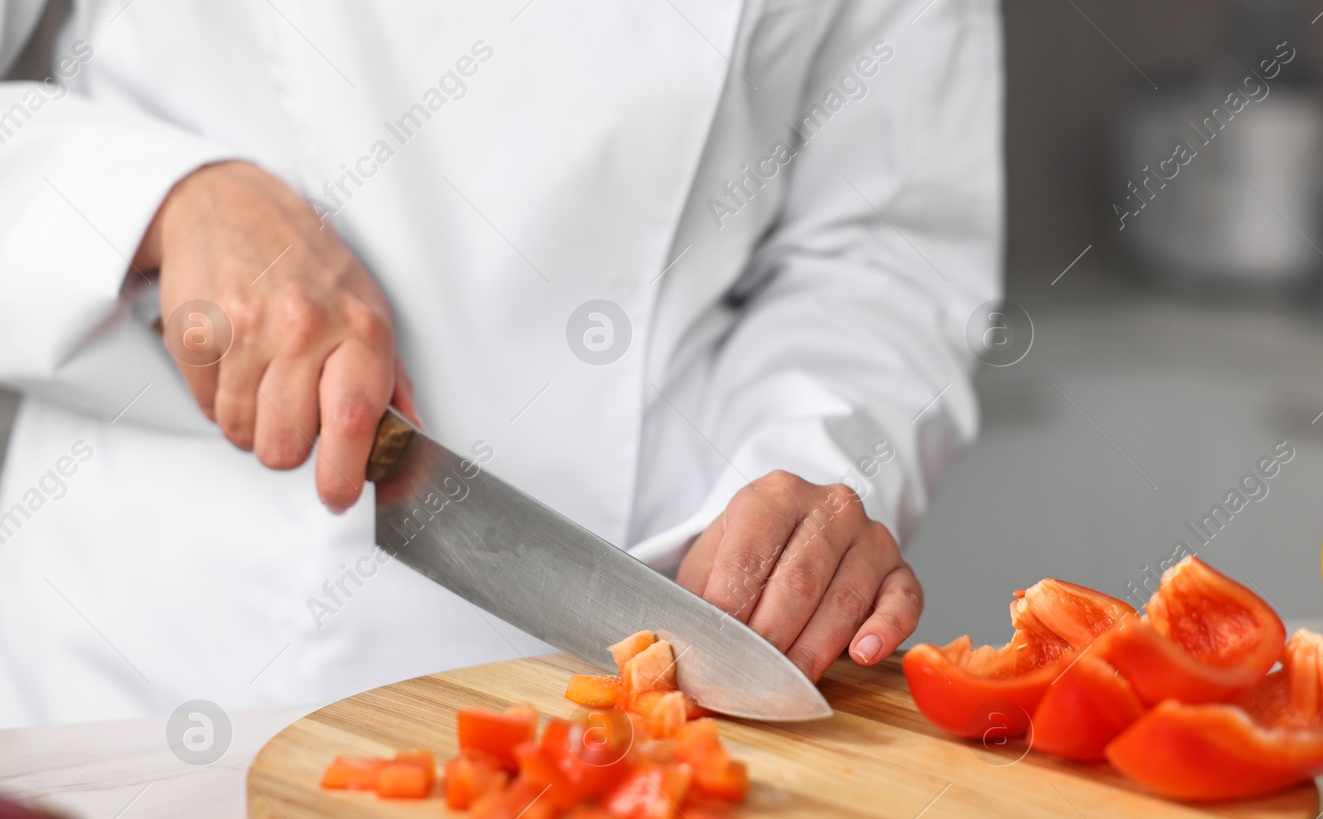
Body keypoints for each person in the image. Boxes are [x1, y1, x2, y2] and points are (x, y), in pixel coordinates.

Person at [0, 0, 1002, 726]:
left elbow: (880, 252)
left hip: (645, 669)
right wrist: (157, 200)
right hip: (157, 667)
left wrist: (797, 484)